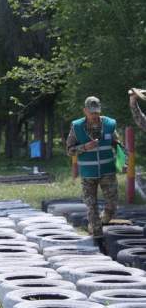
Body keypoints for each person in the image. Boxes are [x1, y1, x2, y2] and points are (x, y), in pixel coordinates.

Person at [66, 96, 123, 251]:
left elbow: (116, 143)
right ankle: (97, 238)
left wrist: (121, 156)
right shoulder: (76, 127)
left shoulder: (110, 124)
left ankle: (103, 221)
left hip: (107, 171)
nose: (94, 116)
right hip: (88, 174)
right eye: (91, 113)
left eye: (97, 112)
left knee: (112, 204)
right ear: (85, 111)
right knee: (91, 206)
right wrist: (85, 147)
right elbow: (69, 150)